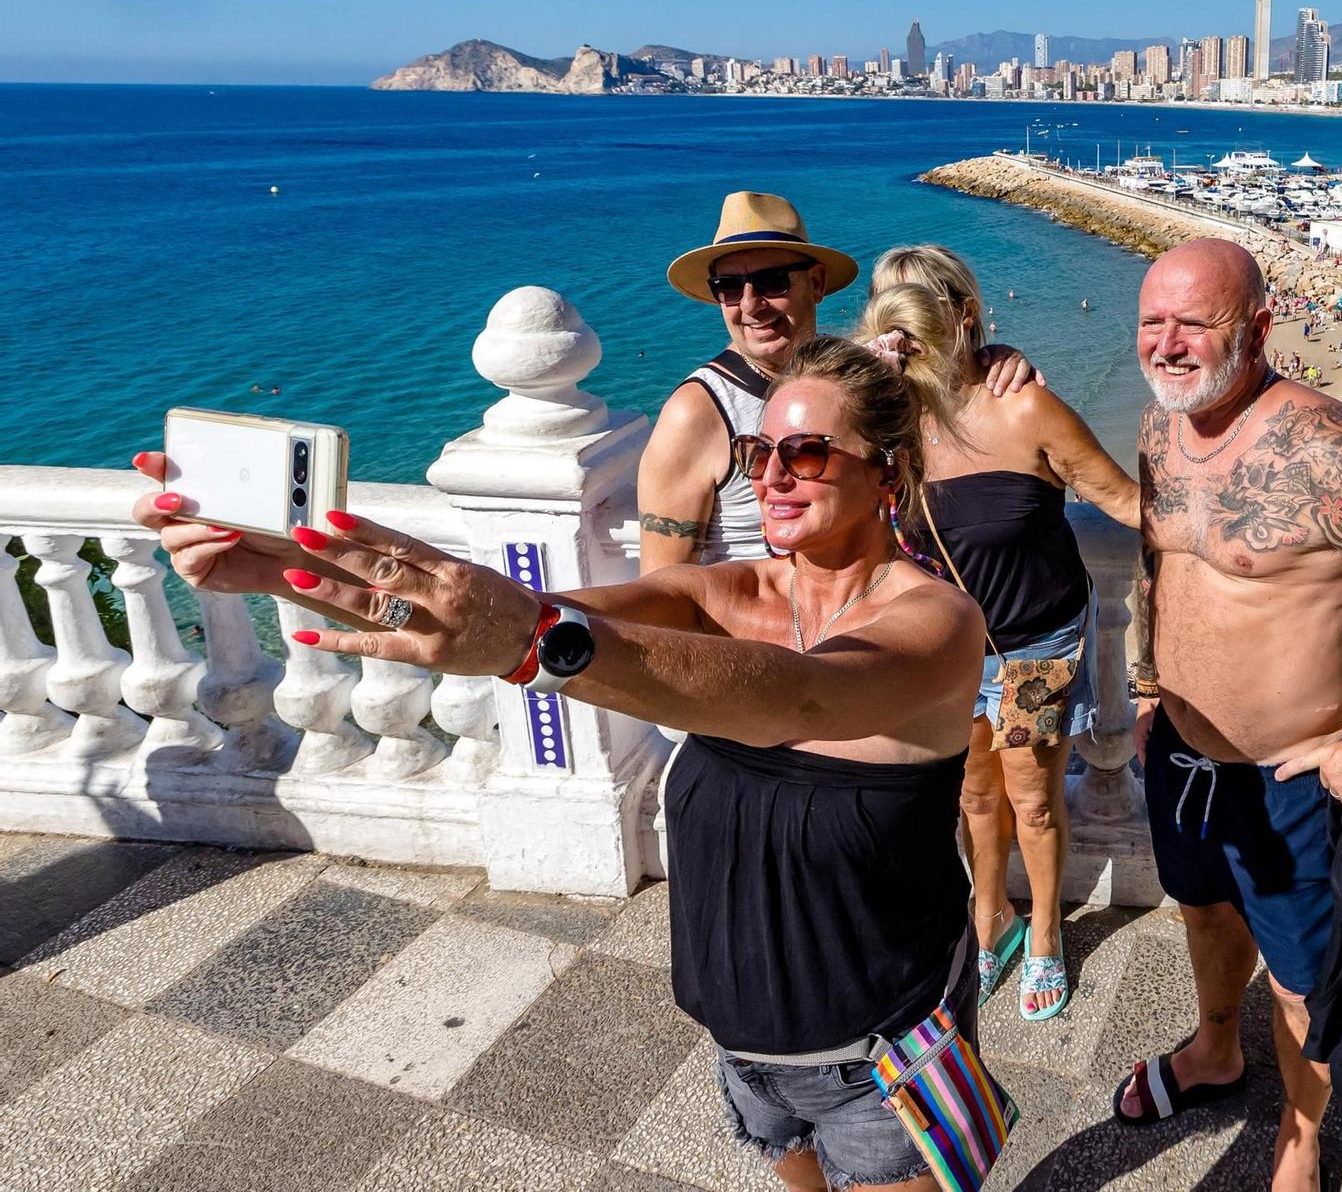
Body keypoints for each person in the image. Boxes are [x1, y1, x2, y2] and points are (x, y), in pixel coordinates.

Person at [134, 335, 990, 1192]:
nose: (770, 476)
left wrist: (535, 643)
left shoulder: (938, 622)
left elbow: (799, 698)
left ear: (889, 470)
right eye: (757, 451)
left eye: (806, 451)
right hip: (742, 1042)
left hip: (882, 1053)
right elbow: (540, 615)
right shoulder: (719, 594)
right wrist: (286, 569)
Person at [1116, 239, 1342, 1188]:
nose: (1167, 343)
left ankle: (1299, 1134)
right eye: (1154, 321)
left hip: (1293, 775)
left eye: (1194, 323)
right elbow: (1160, 570)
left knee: (1298, 977)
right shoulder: (1163, 429)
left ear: (1257, 327)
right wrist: (1151, 683)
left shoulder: (1322, 445)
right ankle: (1212, 1050)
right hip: (1187, 757)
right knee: (1201, 913)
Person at [863, 245, 1140, 1022]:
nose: (902, 334)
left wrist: (1232, 538)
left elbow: (1121, 499)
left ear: (963, 315)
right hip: (951, 652)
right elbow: (806, 418)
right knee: (974, 797)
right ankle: (993, 921)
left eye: (914, 312)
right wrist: (866, 371)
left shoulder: (1025, 406)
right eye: (888, 314)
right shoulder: (892, 422)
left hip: (1036, 646)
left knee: (1034, 800)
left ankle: (1046, 934)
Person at [637, 191, 1039, 573]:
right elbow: (661, 587)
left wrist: (992, 360)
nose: (749, 305)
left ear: (815, 284)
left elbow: (935, 380)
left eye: (771, 282)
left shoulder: (853, 376)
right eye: (727, 288)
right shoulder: (696, 413)